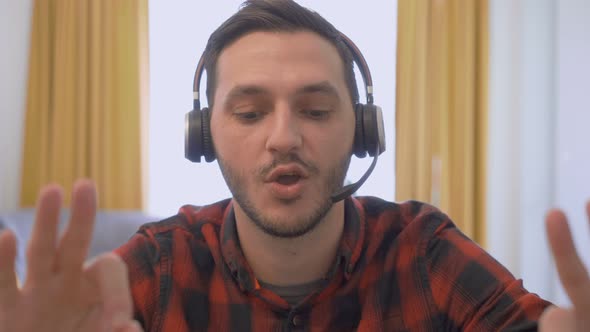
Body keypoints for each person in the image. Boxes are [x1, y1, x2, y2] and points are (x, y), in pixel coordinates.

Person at [0, 0, 588, 331]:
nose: (284, 138)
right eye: (251, 112)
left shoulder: (421, 248)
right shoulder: (160, 265)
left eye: (314, 109)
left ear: (362, 130)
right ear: (204, 136)